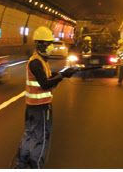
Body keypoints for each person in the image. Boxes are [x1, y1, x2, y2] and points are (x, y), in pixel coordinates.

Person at [15, 26, 77, 169]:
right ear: (43, 45)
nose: (52, 47)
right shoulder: (36, 62)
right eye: (50, 44)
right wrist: (61, 76)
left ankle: (21, 166)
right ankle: (36, 166)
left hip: (32, 107)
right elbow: (44, 83)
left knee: (29, 136)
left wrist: (64, 72)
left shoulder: (39, 60)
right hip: (40, 108)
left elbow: (46, 76)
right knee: (41, 139)